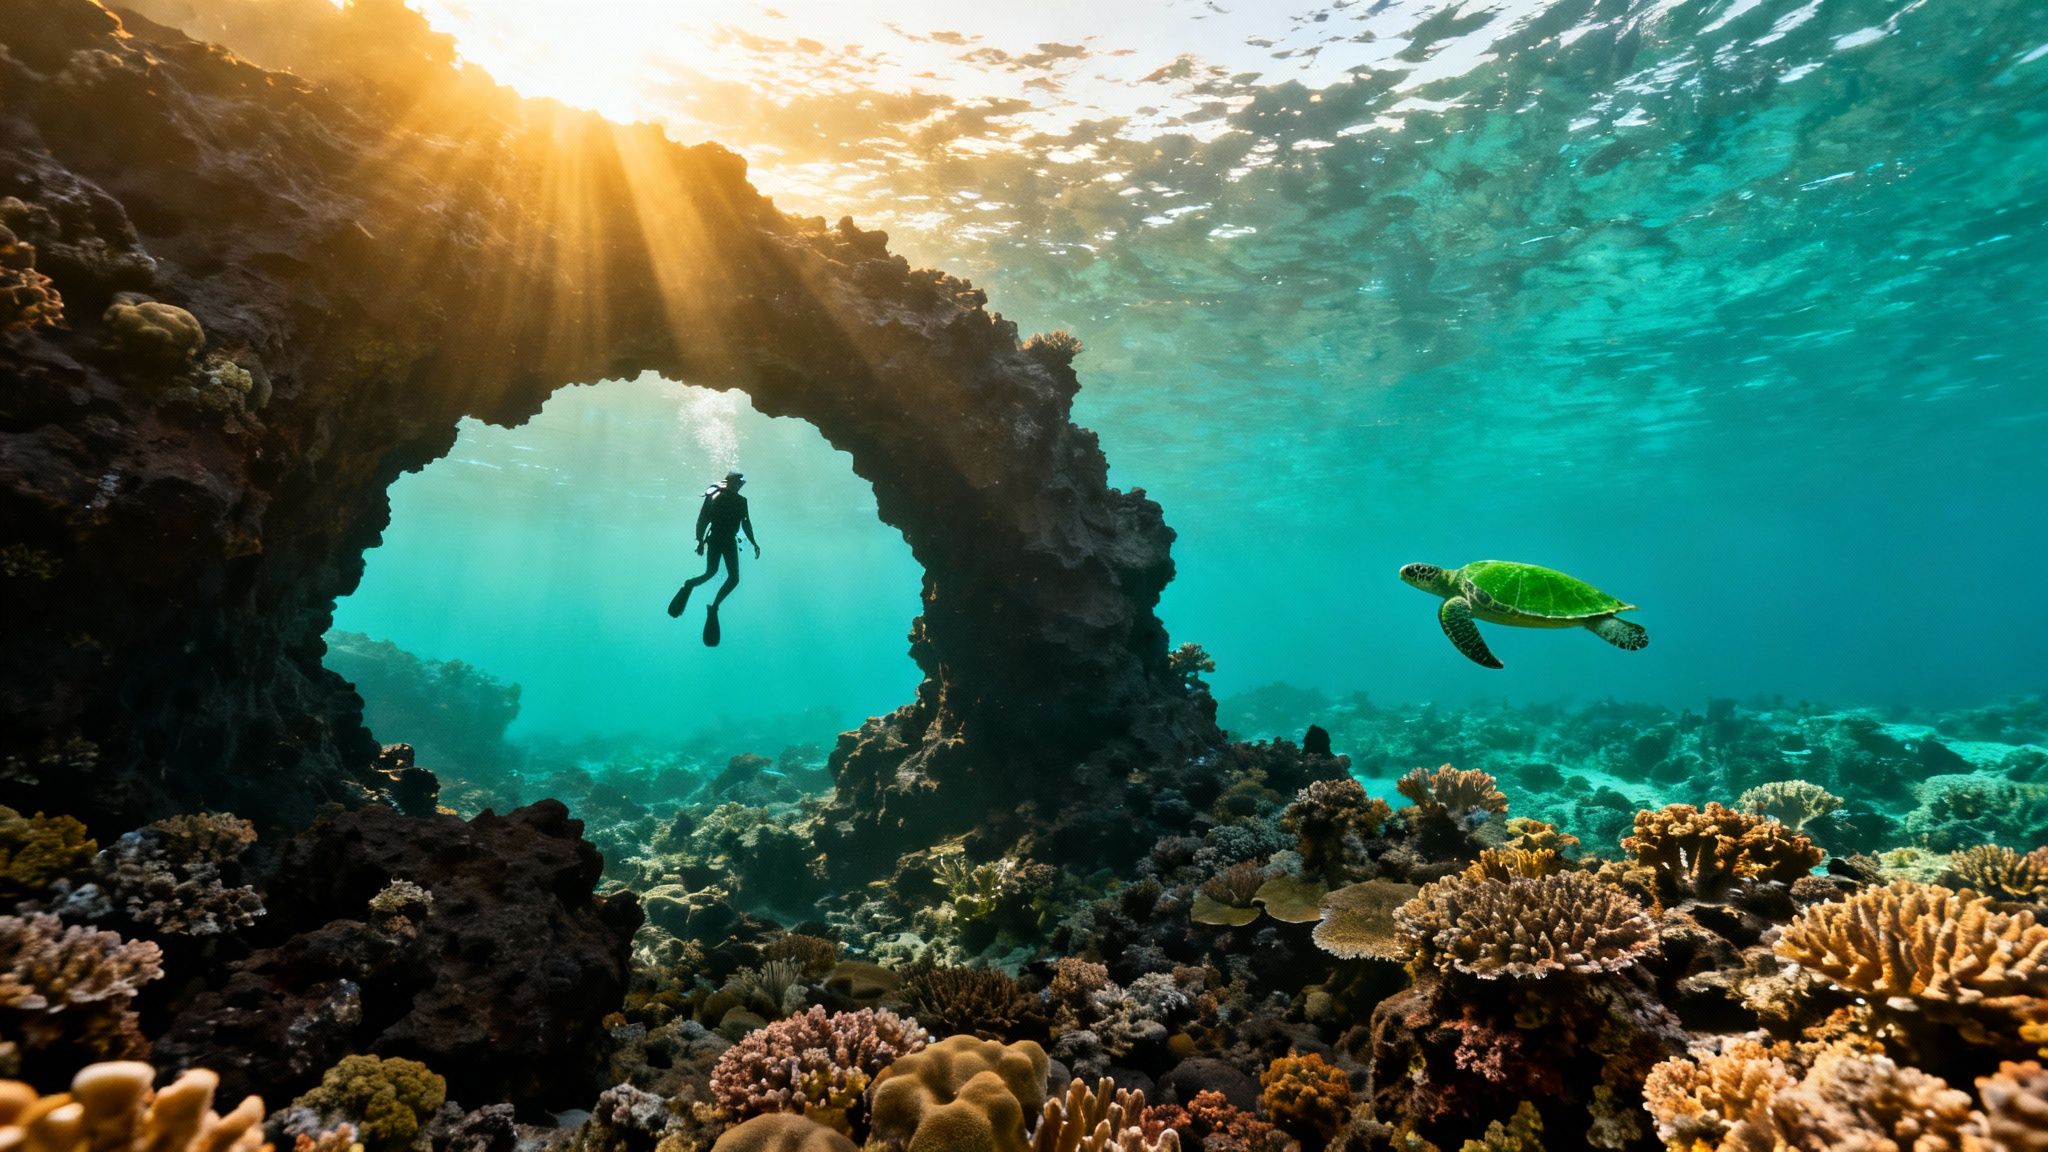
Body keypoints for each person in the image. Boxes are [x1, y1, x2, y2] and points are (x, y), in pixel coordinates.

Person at [667, 471, 759, 645]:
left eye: (741, 483)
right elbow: (703, 518)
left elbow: (746, 523)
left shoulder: (742, 501)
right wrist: (700, 540)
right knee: (711, 572)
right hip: (716, 538)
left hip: (729, 541)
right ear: (729, 481)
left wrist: (754, 542)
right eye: (736, 482)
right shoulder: (715, 494)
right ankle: (690, 585)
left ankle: (714, 606)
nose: (739, 485)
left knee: (733, 579)